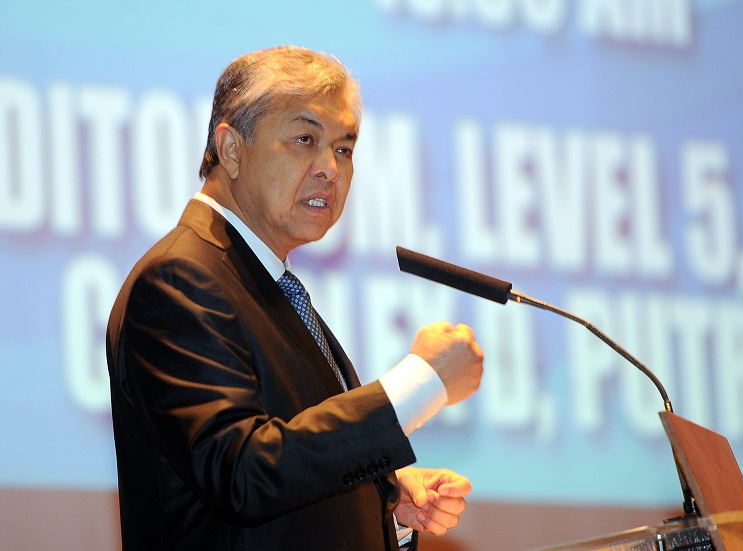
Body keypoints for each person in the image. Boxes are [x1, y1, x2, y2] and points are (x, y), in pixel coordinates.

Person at [106, 45, 484, 550]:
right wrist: (418, 385)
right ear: (232, 150)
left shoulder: (264, 282)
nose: (330, 167)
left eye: (344, 148)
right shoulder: (180, 278)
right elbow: (242, 473)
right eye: (305, 139)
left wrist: (385, 503)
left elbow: (285, 484)